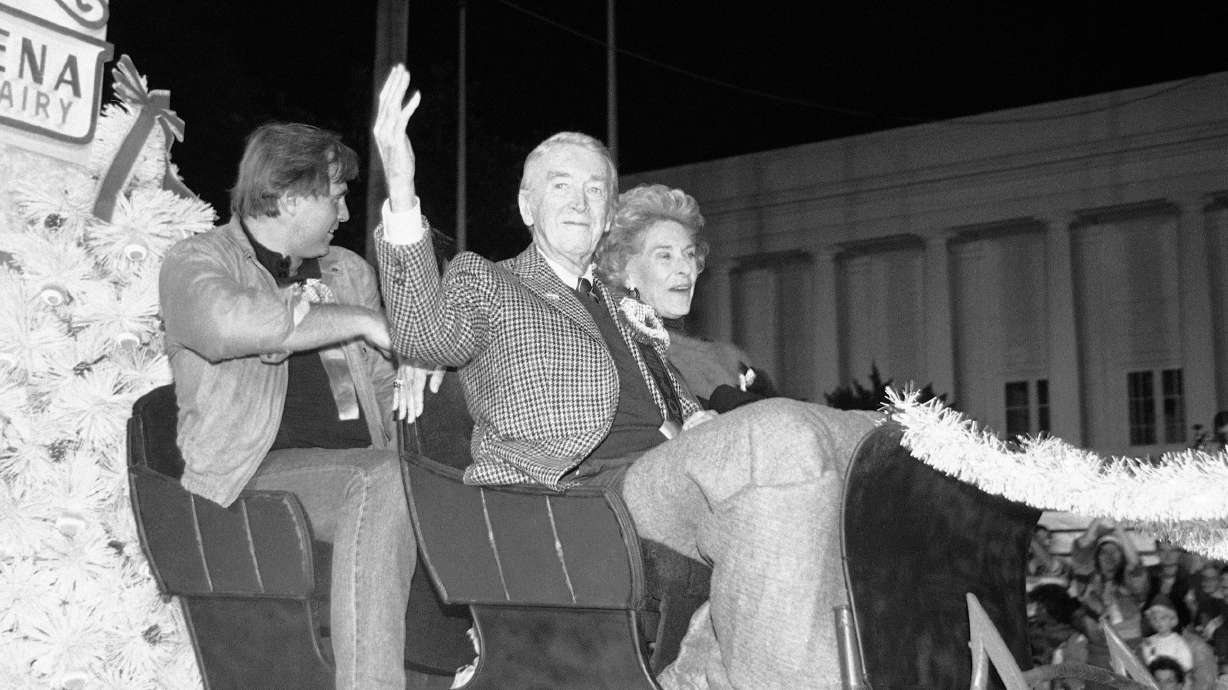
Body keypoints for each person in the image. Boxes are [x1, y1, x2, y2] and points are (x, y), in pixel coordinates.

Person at [372, 65, 879, 688]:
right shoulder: (490, 280)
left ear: (610, 211)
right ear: (527, 205)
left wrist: (700, 421)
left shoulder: (624, 307)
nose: (580, 202)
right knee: (777, 431)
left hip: (658, 478)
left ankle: (698, 676)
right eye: (561, 187)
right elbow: (423, 335)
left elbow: (676, 407)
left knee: (825, 466)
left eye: (595, 191)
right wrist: (401, 189)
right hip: (572, 491)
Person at [159, 121, 438, 689]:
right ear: (289, 198)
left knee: (419, 478)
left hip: (356, 475)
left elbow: (383, 388)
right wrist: (363, 321)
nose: (343, 214)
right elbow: (223, 325)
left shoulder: (347, 271)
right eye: (335, 197)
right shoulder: (197, 261)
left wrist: (422, 380)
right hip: (247, 476)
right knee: (384, 480)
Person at [591, 183, 775, 413]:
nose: (684, 268)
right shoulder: (611, 351)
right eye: (665, 255)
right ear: (623, 270)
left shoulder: (730, 359)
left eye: (688, 254)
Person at [1142, 596, 1195, 674]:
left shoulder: (1178, 641)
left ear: (1172, 620)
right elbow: (1148, 660)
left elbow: (1187, 664)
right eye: (1154, 619)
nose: (1158, 622)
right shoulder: (1150, 641)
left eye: (1163, 618)